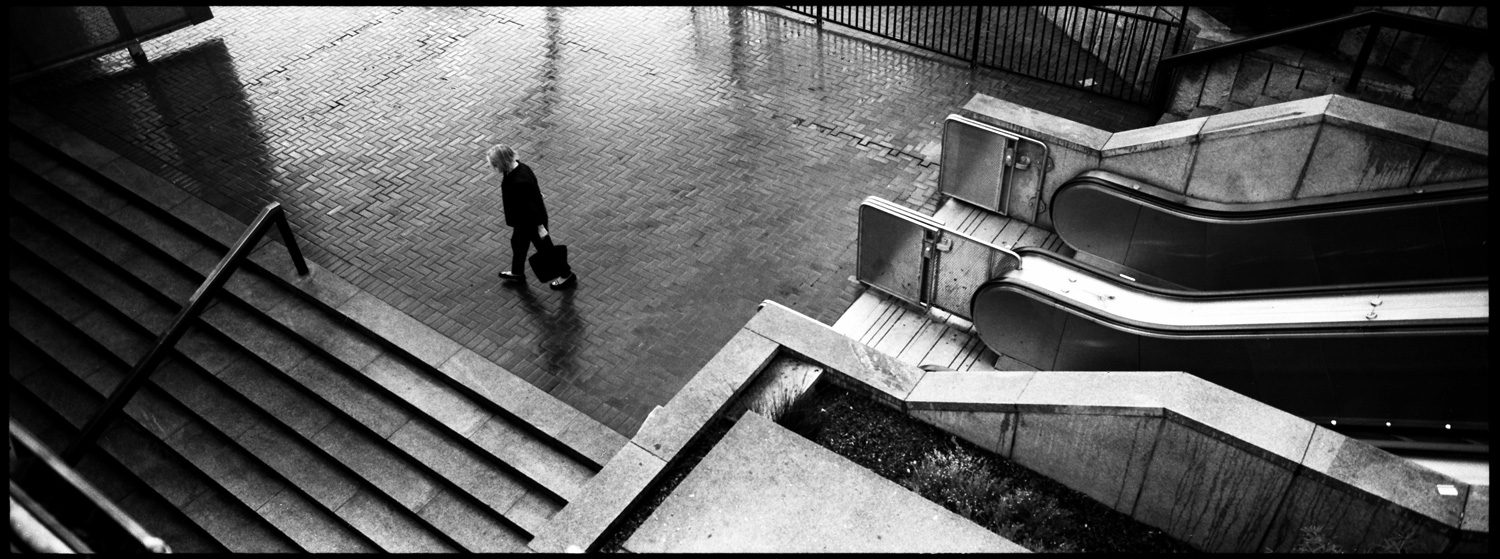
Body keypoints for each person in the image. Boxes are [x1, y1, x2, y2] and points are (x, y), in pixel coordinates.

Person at [487, 144, 577, 289]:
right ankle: (517, 272)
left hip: (531, 222)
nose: (494, 167)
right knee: (518, 244)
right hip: (522, 221)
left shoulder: (519, 180)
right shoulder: (518, 168)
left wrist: (540, 227)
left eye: (495, 164)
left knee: (546, 249)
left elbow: (531, 207)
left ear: (503, 162)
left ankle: (567, 275)